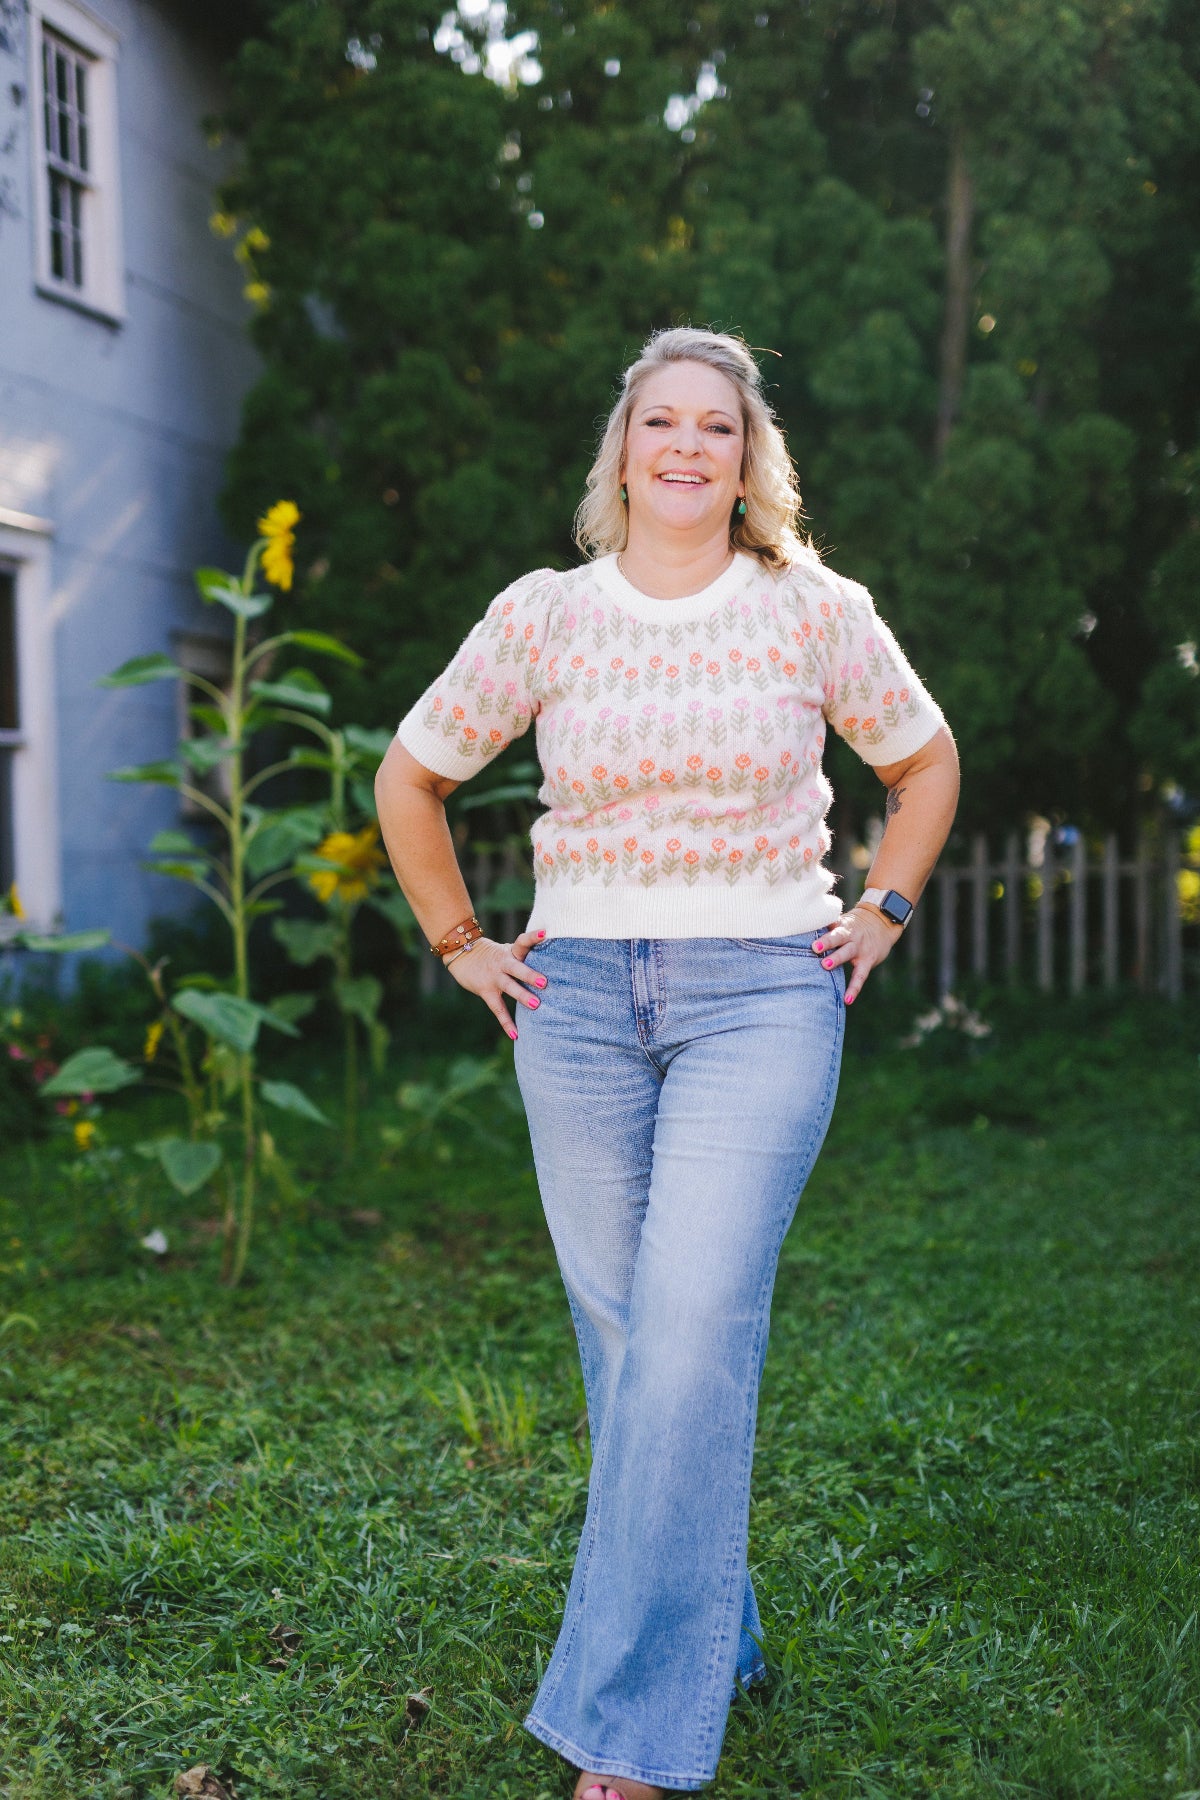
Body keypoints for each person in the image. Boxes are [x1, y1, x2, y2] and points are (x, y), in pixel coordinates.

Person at [375, 327, 959, 1800]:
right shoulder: (546, 616)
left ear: (750, 460)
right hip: (574, 1002)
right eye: (661, 423)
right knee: (631, 1345)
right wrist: (459, 942)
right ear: (622, 454)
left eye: (717, 425)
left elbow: (923, 761)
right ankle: (719, 1631)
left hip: (762, 992)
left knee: (691, 1323)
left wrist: (884, 909)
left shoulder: (813, 609)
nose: (688, 445)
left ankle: (628, 1734)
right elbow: (413, 774)